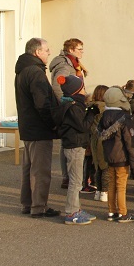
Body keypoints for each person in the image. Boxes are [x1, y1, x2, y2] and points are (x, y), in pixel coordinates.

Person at [16, 38, 60, 218]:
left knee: (29, 168)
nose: (49, 53)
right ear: (37, 52)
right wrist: (53, 123)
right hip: (38, 128)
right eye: (47, 50)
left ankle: (28, 204)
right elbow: (42, 103)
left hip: (28, 127)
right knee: (40, 170)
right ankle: (38, 206)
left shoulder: (22, 70)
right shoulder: (35, 72)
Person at [55, 74, 99, 225]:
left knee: (76, 180)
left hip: (74, 145)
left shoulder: (71, 104)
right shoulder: (73, 107)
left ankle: (76, 208)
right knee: (75, 181)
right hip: (74, 146)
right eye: (82, 88)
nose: (84, 91)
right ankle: (71, 212)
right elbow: (83, 126)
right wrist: (92, 113)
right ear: (75, 91)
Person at [99, 86, 134, 222]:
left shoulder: (103, 117)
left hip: (109, 156)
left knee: (112, 184)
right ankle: (123, 213)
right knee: (121, 185)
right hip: (122, 157)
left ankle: (111, 211)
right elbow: (131, 143)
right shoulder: (124, 118)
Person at [49, 38, 87, 190]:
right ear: (70, 50)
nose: (82, 51)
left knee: (67, 143)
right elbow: (58, 85)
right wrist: (67, 102)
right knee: (69, 143)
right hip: (69, 108)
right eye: (79, 49)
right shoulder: (65, 65)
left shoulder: (73, 63)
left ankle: (69, 177)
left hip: (70, 106)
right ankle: (68, 178)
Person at [88, 85, 109, 202]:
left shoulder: (90, 107)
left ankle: (98, 191)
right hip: (103, 138)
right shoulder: (105, 108)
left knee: (97, 166)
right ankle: (104, 192)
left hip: (93, 138)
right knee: (105, 166)